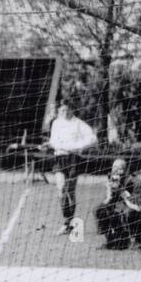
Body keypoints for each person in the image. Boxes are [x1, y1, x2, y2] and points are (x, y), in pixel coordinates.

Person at [47, 101, 98, 235]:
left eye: (67, 110)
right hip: (59, 158)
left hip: (73, 159)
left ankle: (69, 222)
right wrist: (57, 145)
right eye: (62, 111)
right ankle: (66, 221)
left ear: (72, 110)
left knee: (70, 191)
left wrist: (78, 146)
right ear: (59, 111)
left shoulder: (78, 123)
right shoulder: (56, 123)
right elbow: (52, 140)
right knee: (61, 188)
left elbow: (93, 138)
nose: (65, 113)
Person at [94, 157, 141, 250]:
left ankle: (138, 242)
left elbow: (138, 207)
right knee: (100, 210)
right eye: (114, 167)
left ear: (126, 170)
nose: (116, 170)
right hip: (121, 217)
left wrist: (121, 191)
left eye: (119, 168)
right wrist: (110, 193)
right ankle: (112, 241)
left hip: (140, 218)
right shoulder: (113, 181)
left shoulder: (137, 183)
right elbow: (106, 203)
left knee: (128, 212)